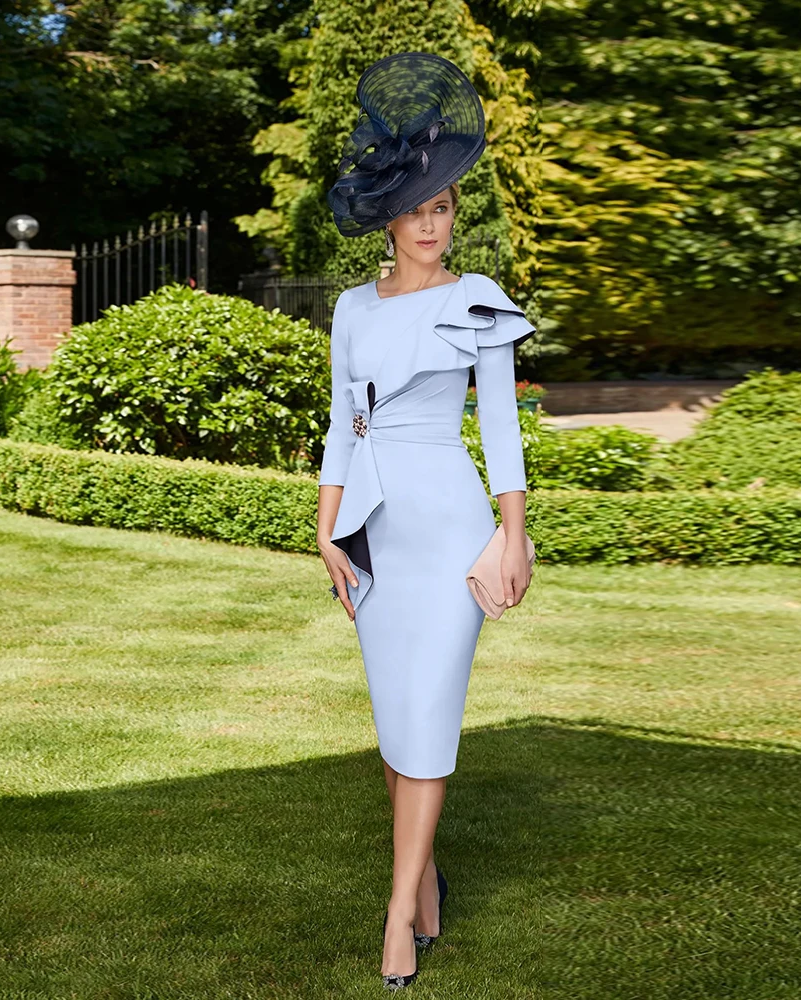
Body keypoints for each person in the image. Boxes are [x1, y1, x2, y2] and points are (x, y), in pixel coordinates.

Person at [316, 51, 534, 992]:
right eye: (421, 210)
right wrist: (327, 529)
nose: (436, 225)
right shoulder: (351, 309)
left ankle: (400, 911)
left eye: (446, 209)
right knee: (396, 723)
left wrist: (511, 531)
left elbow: (499, 426)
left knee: (431, 720)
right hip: (374, 530)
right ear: (392, 219)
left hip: (450, 528)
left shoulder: (475, 300)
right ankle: (428, 876)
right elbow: (340, 425)